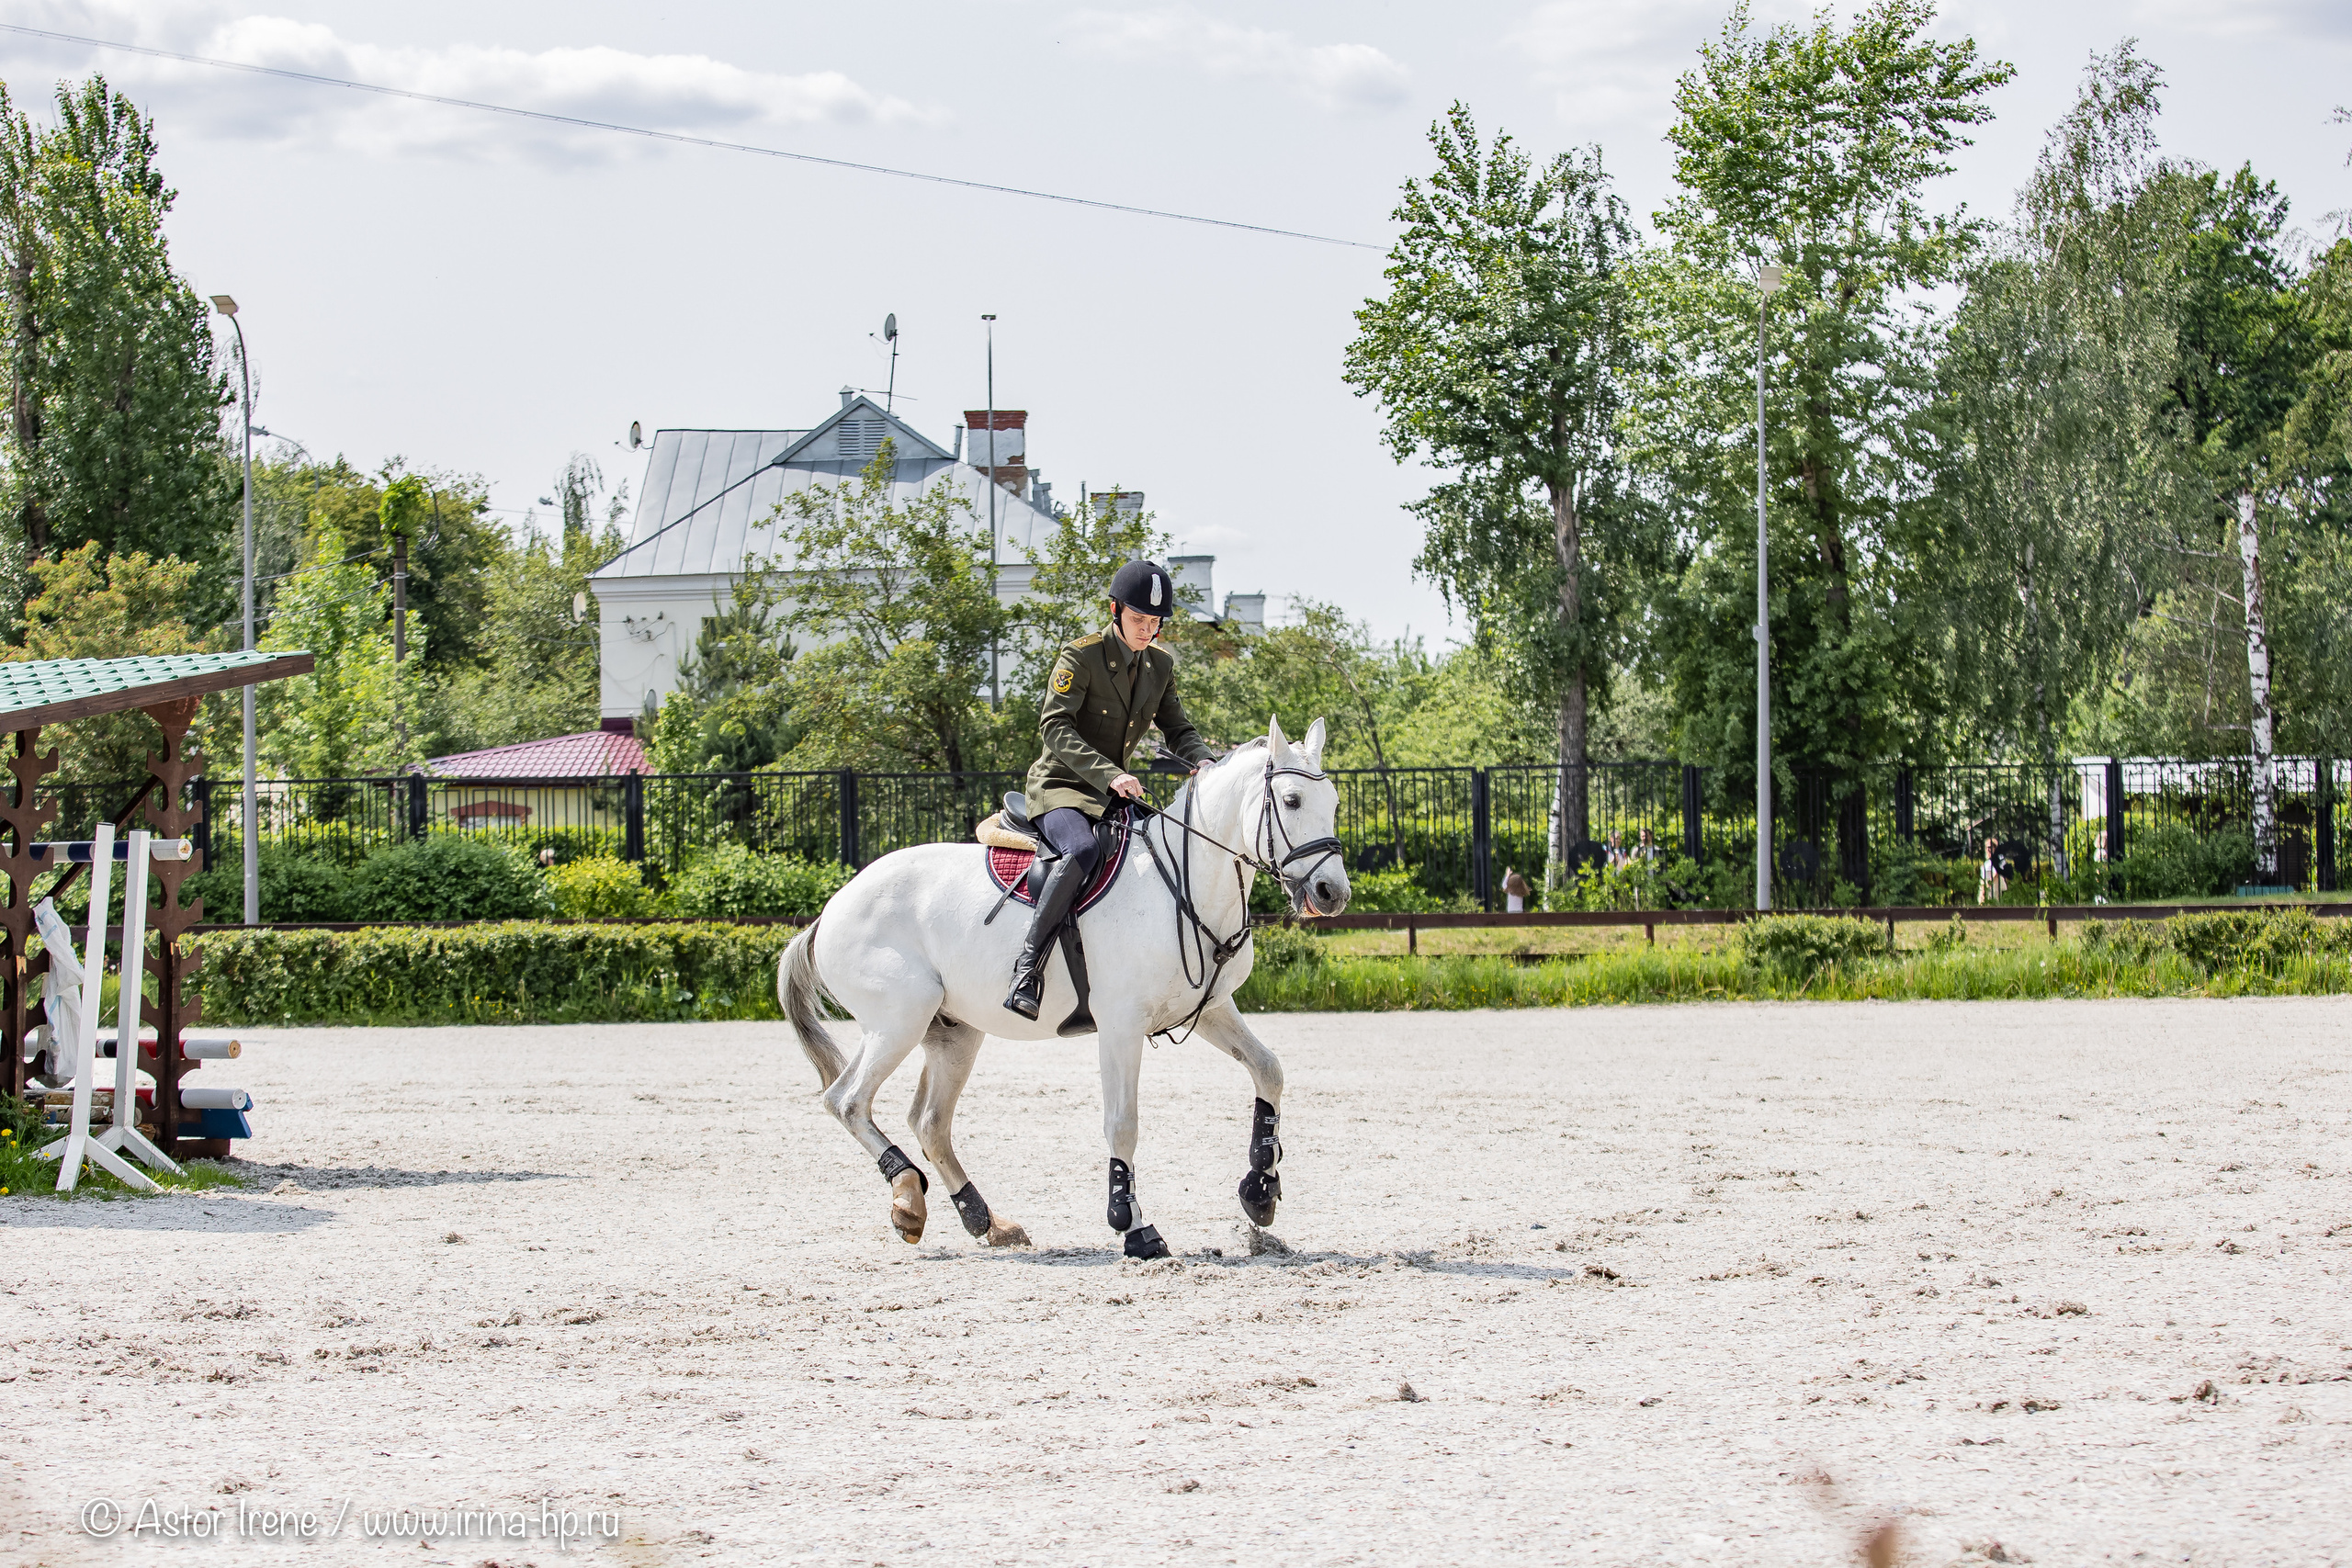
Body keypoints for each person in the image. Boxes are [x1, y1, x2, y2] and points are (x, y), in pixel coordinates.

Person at [1006, 559, 1216, 1021]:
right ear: (1115, 610)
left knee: (1161, 853)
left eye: (1155, 622)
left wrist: (1204, 761)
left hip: (1112, 795)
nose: (1147, 630)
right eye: (1139, 619)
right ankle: (1028, 967)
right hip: (1061, 789)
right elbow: (1055, 728)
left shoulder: (1160, 665)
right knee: (1081, 852)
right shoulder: (1080, 656)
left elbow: (1179, 729)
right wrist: (1109, 774)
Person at [1977, 836, 2008, 905]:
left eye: (1990, 847)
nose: (1989, 849)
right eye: (1987, 847)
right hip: (1985, 888)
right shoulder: (1986, 862)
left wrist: (1990, 882)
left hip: (1995, 887)